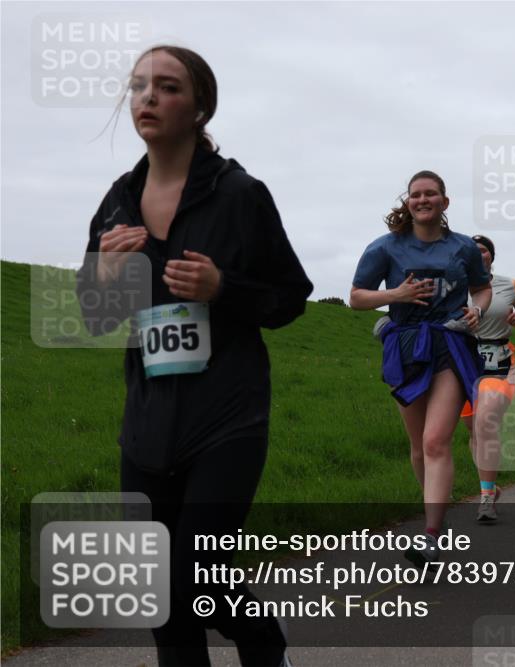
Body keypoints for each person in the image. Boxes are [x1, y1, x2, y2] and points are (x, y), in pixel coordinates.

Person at [76, 45, 311, 667]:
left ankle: (264, 646)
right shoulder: (118, 201)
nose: (148, 97)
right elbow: (94, 316)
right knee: (162, 594)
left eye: (168, 87)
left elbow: (291, 297)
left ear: (200, 107)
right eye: (138, 86)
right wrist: (104, 278)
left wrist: (222, 288)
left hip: (227, 416)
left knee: (194, 574)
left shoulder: (240, 194)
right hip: (147, 422)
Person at [350, 170, 491, 563]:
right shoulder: (385, 247)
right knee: (418, 447)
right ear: (408, 201)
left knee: (434, 441)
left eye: (431, 194)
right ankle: (437, 515)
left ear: (444, 202)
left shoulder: (463, 247)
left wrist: (477, 310)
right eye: (416, 194)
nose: (423, 199)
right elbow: (356, 297)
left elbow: (481, 288)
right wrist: (396, 294)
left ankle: (430, 534)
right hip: (407, 346)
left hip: (449, 344)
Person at [459, 235, 515, 521]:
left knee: (485, 422)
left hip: (499, 361)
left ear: (491, 257)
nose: (478, 254)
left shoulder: (509, 285)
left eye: (483, 250)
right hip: (463, 362)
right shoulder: (454, 284)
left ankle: (485, 499)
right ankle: (491, 487)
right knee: (474, 430)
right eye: (473, 250)